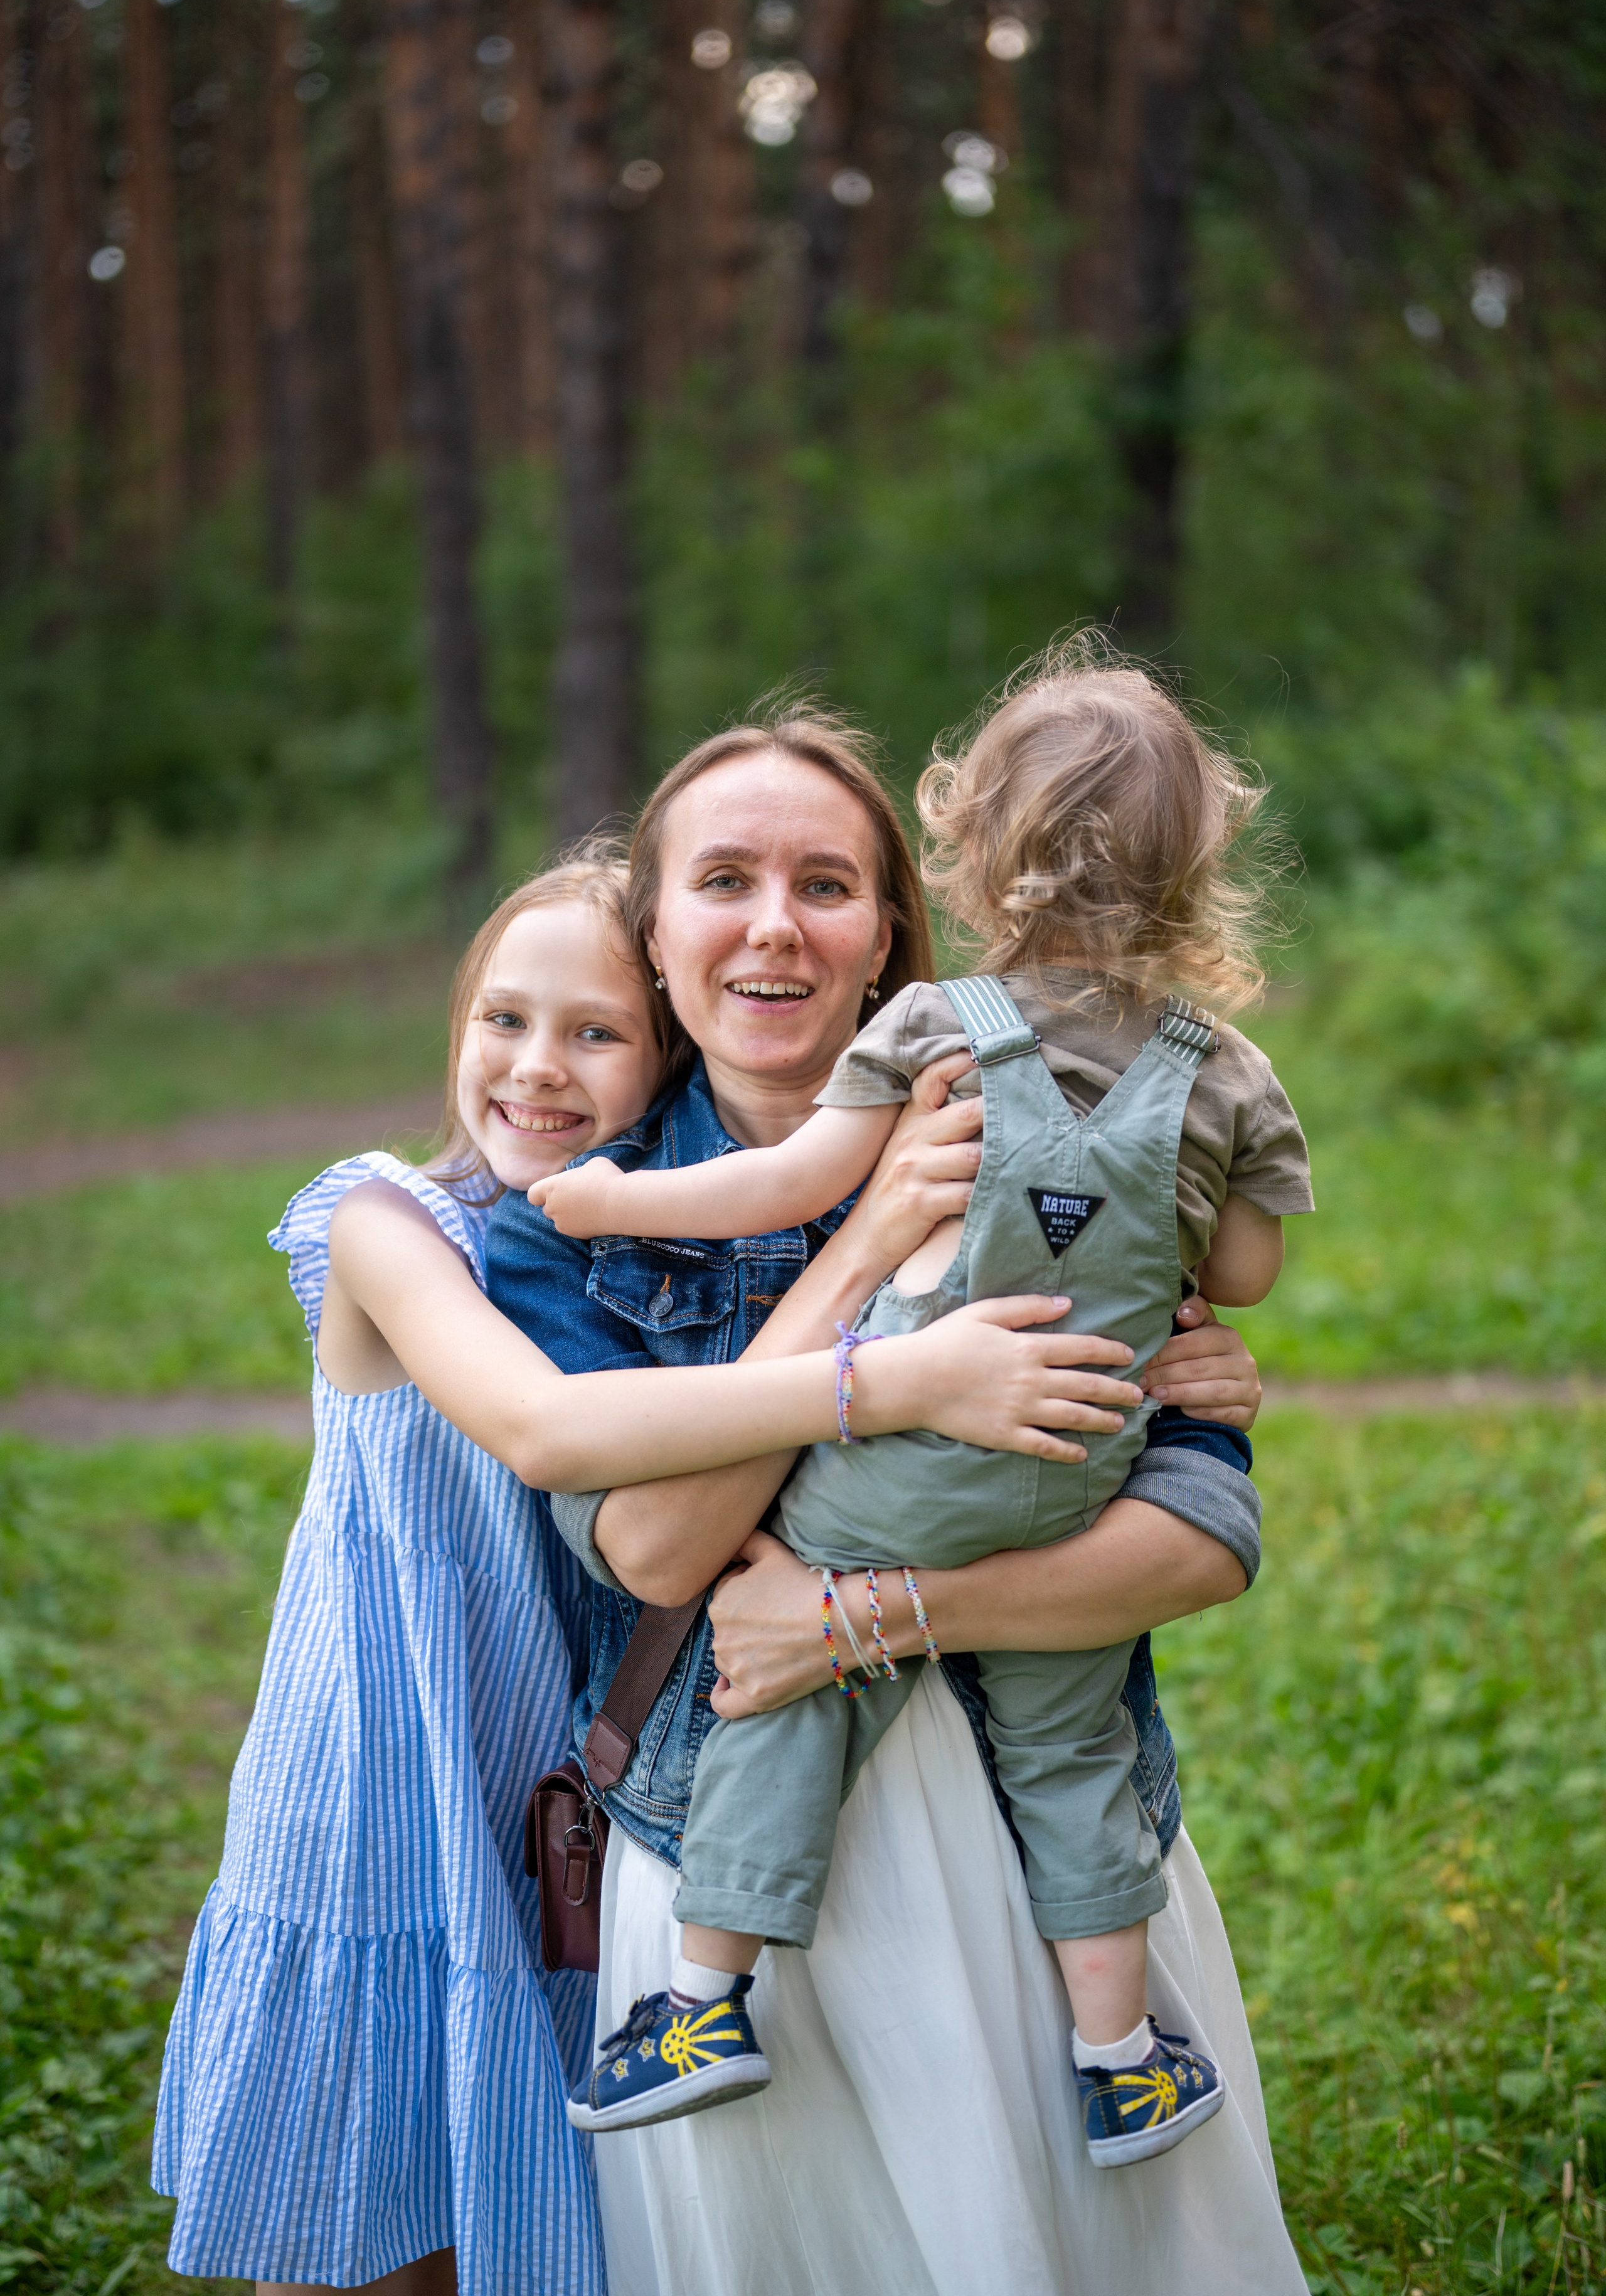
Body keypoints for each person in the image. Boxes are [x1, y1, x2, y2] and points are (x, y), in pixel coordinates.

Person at [153, 854, 1116, 2296]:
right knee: (355, 2208)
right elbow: (547, 1430)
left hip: (551, 1765)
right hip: (384, 1767)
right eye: (502, 1018)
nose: (536, 1065)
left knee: (510, 2183)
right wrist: (891, 1354)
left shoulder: (655, 1260)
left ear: (663, 1061)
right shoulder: (385, 1222)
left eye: (593, 1032)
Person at [486, 692, 1309, 2294]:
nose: (772, 925)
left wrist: (866, 1612)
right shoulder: (561, 1224)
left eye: (824, 884)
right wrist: (865, 1253)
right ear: (652, 932)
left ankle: (1091, 2057)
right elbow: (656, 1548)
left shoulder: (1027, 1118)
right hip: (719, 1825)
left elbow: (1198, 1546)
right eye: (722, 881)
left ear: (893, 930)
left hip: (1023, 1851)